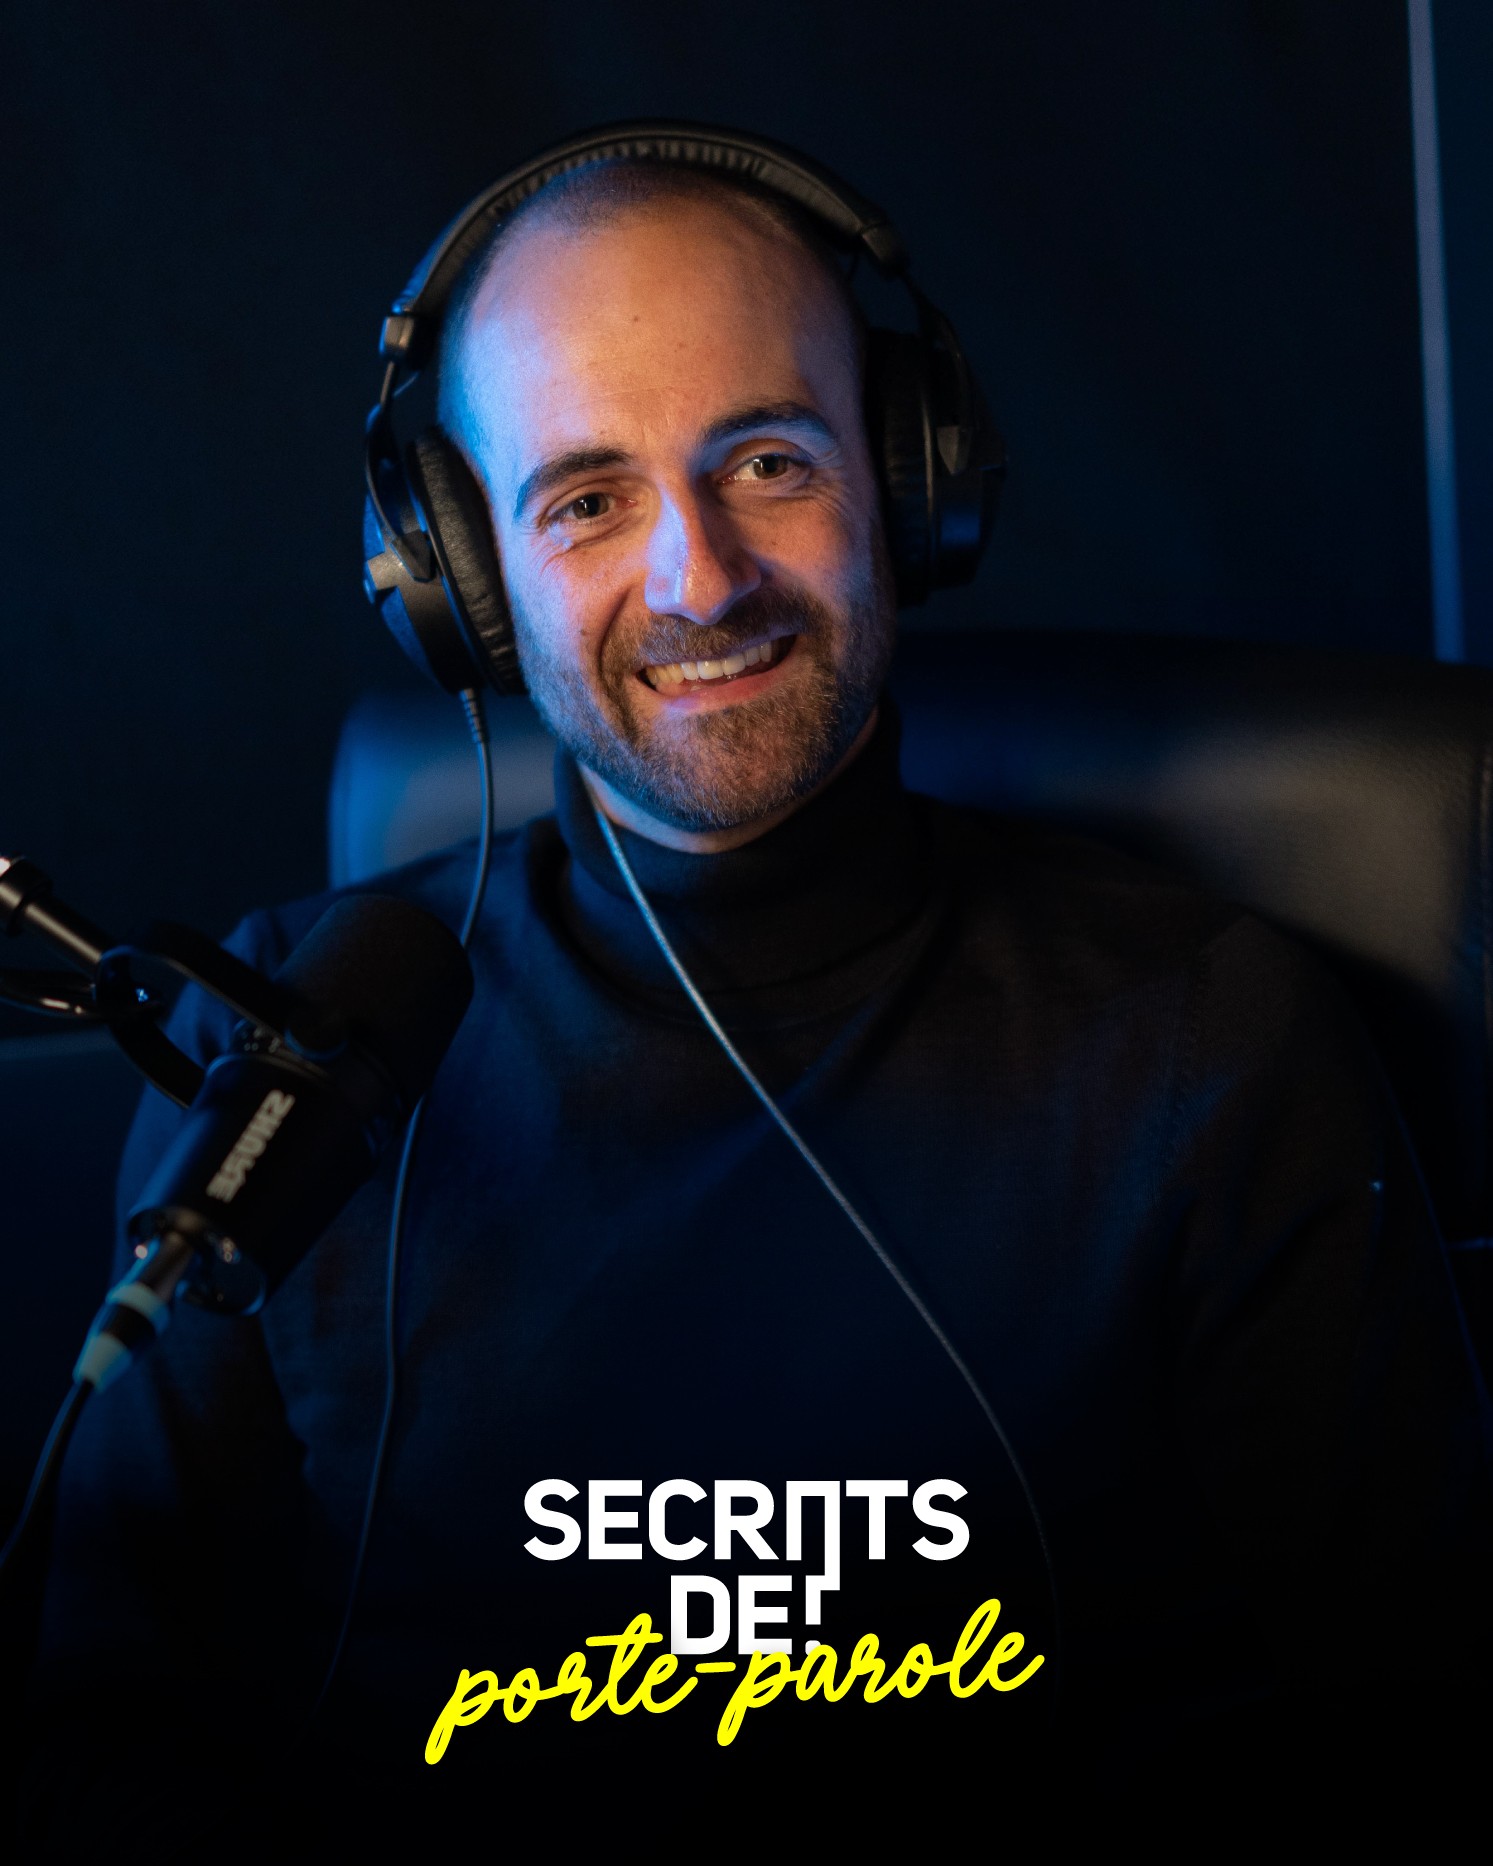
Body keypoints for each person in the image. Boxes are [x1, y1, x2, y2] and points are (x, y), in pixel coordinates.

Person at [23, 133, 1493, 1853]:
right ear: (461, 576)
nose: (698, 579)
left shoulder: (1206, 1031)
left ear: (906, 472)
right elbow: (102, 1736)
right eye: (586, 499)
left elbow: (1414, 1725)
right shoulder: (284, 1051)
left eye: (770, 461)